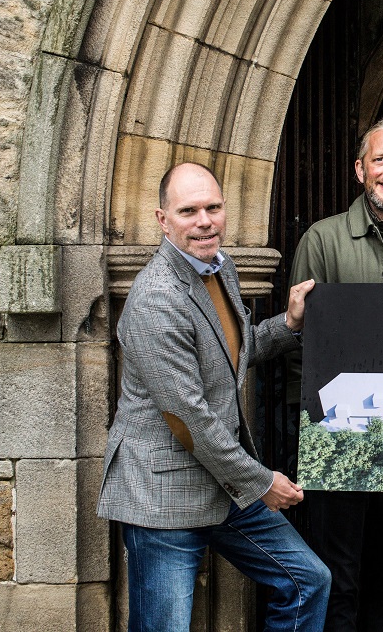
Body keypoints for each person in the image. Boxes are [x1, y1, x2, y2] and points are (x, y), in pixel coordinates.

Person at [97, 162, 330, 631]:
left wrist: (289, 324)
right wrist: (262, 481)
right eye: (189, 211)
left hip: (219, 483)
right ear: (163, 220)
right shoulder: (157, 297)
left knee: (308, 580)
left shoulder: (218, 268)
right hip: (163, 494)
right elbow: (189, 419)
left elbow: (231, 354)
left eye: (213, 207)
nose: (204, 221)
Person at [287, 115, 383, 631]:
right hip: (343, 437)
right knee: (341, 577)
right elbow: (298, 347)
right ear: (360, 169)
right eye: (381, 159)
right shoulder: (323, 239)